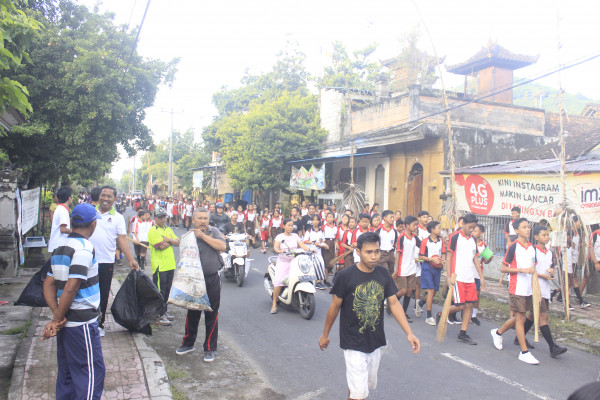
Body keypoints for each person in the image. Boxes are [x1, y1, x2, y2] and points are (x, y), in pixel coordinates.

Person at [318, 232, 420, 400]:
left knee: (360, 387)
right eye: (369, 252)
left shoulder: (383, 273)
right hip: (352, 342)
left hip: (375, 340)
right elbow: (335, 306)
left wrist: (409, 333)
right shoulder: (345, 276)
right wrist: (325, 334)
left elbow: (394, 303)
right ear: (358, 252)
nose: (374, 256)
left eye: (377, 251)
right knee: (360, 394)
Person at [42, 203, 105, 399]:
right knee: (90, 375)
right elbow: (72, 286)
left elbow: (48, 284)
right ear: (93, 224)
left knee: (68, 374)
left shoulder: (61, 247)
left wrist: (56, 314)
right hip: (82, 323)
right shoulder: (84, 248)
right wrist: (57, 317)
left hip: (66, 322)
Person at [176, 208, 226, 363]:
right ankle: (188, 343)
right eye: (200, 218)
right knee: (192, 312)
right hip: (193, 280)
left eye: (205, 218)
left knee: (211, 314)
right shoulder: (189, 235)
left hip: (211, 279)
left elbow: (222, 246)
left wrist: (202, 236)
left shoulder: (214, 231)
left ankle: (210, 348)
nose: (203, 221)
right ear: (193, 219)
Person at [89, 186, 139, 337]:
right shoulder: (90, 212)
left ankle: (99, 324)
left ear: (115, 199)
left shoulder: (117, 217)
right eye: (103, 195)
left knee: (103, 294)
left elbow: (122, 239)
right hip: (86, 260)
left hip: (105, 262)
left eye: (109, 196)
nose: (105, 198)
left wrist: (131, 259)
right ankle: (85, 322)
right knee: (85, 292)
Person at [491, 218, 540, 364]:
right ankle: (524, 352)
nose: (528, 229)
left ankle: (498, 332)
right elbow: (503, 268)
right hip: (517, 287)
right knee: (520, 318)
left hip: (529, 288)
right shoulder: (513, 247)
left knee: (520, 317)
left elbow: (534, 269)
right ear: (517, 230)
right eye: (524, 227)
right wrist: (521, 270)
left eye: (529, 227)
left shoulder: (532, 248)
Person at [436, 213, 485, 344]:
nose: (472, 230)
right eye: (470, 227)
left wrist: (481, 276)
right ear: (463, 224)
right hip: (457, 277)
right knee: (460, 305)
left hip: (470, 277)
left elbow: (475, 258)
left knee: (470, 304)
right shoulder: (455, 237)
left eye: (474, 228)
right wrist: (449, 275)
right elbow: (449, 256)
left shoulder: (473, 240)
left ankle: (463, 333)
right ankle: (442, 314)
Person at [271, 218, 312, 313]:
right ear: (284, 226)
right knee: (278, 282)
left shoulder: (296, 236)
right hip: (283, 261)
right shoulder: (279, 237)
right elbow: (276, 247)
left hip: (295, 261)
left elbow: (302, 245)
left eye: (292, 225)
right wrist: (279, 250)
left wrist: (309, 249)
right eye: (289, 225)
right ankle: (274, 303)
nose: (291, 227)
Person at [148, 208, 179, 326]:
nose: (162, 219)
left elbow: (178, 242)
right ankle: (159, 315)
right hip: (159, 266)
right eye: (160, 217)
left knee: (167, 290)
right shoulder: (153, 231)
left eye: (164, 217)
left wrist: (168, 240)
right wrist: (171, 242)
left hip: (170, 264)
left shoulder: (168, 229)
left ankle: (164, 312)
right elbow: (160, 246)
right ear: (155, 218)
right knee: (160, 291)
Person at [393, 215, 421, 323]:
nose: (416, 226)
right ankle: (393, 302)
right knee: (403, 290)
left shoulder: (414, 238)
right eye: (414, 225)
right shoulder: (402, 237)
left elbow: (422, 246)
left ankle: (403, 312)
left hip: (412, 268)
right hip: (402, 268)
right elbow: (398, 254)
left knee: (409, 291)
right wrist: (396, 270)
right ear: (407, 226)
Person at [419, 220, 445, 326]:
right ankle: (429, 316)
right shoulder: (425, 241)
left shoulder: (441, 241)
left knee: (433, 292)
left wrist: (443, 260)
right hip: (427, 267)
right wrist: (431, 259)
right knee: (430, 291)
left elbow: (443, 253)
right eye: (439, 228)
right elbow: (420, 256)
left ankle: (421, 303)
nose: (440, 230)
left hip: (437, 268)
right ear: (433, 230)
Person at [470, 223, 492, 326]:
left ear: (481, 233)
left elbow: (486, 261)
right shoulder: (469, 242)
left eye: (476, 231)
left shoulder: (484, 246)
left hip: (478, 274)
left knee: (477, 295)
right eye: (473, 230)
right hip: (468, 272)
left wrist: (489, 259)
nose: (473, 232)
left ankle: (474, 315)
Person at [304, 214, 330, 289]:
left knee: (321, 264)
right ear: (312, 221)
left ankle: (318, 281)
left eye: (317, 220)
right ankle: (311, 281)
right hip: (310, 251)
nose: (315, 222)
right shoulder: (309, 231)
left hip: (318, 251)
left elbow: (322, 240)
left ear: (319, 221)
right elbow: (305, 241)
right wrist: (313, 243)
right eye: (314, 220)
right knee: (311, 266)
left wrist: (324, 245)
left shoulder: (321, 231)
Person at [48, 186, 73, 253]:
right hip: (59, 246)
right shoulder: (62, 210)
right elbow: (63, 229)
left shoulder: (60, 208)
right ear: (69, 197)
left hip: (58, 246)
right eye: (72, 196)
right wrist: (75, 232)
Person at [374, 210, 397, 277]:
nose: (392, 219)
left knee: (391, 272)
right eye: (391, 217)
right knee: (384, 272)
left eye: (393, 217)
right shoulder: (379, 231)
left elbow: (395, 242)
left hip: (391, 253)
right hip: (382, 253)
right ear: (385, 218)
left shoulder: (394, 231)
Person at [322, 212, 338, 282]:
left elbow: (336, 238)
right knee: (326, 262)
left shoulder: (336, 228)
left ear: (333, 218)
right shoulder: (324, 227)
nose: (329, 218)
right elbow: (321, 237)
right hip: (326, 243)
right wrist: (323, 244)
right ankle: (326, 279)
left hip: (332, 244)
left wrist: (336, 245)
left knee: (331, 263)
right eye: (328, 217)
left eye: (331, 217)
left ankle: (326, 275)